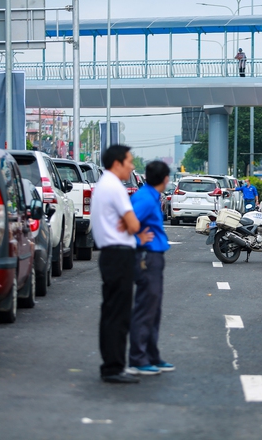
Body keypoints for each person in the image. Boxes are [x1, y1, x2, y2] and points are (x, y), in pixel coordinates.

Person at [91, 144, 153, 384]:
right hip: (119, 256)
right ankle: (113, 367)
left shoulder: (103, 184)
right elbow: (134, 225)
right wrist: (129, 224)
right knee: (118, 314)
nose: (132, 166)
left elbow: (129, 223)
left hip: (110, 254)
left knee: (111, 312)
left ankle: (112, 364)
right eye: (129, 161)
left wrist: (127, 224)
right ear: (117, 163)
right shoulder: (114, 187)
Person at [126, 161, 176, 376]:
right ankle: (138, 358)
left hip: (153, 255)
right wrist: (138, 237)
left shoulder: (149, 195)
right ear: (165, 179)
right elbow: (124, 223)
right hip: (146, 256)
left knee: (153, 308)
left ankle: (151, 355)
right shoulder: (146, 199)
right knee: (146, 307)